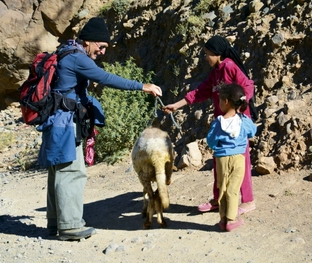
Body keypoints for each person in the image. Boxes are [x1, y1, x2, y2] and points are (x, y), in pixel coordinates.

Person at [37, 17, 162, 241]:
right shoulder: (77, 58)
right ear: (89, 41)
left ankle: (55, 224)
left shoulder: (65, 51)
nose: (103, 52)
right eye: (101, 46)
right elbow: (105, 78)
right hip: (65, 123)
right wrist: (143, 86)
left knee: (58, 172)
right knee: (72, 172)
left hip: (55, 121)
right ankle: (71, 227)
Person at [163, 35, 256, 215]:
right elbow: (200, 92)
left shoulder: (229, 66)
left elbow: (248, 87)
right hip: (222, 124)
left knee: (240, 161)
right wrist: (176, 105)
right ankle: (218, 199)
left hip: (236, 125)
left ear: (217, 53)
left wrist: (238, 112)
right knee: (219, 161)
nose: (205, 57)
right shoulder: (215, 72)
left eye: (207, 54)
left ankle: (248, 201)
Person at [207, 83, 257, 231]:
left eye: (220, 100)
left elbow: (210, 141)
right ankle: (231, 219)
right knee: (233, 189)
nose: (219, 103)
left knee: (222, 187)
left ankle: (222, 219)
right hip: (238, 159)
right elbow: (252, 132)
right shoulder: (243, 120)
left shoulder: (218, 122)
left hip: (221, 159)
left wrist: (218, 143)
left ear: (226, 101)